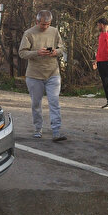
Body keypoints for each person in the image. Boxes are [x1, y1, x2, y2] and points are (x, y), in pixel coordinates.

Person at [18, 10, 66, 142]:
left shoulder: (55, 31)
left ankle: (56, 131)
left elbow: (62, 49)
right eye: (43, 24)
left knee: (54, 102)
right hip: (34, 75)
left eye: (48, 24)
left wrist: (56, 52)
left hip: (53, 73)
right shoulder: (29, 33)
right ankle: (38, 128)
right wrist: (36, 53)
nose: (45, 27)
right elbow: (22, 53)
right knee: (36, 103)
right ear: (37, 21)